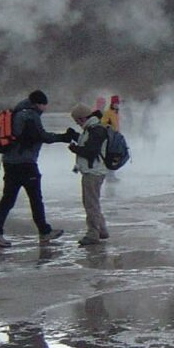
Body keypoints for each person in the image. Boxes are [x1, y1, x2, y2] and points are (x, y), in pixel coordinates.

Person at [0, 90, 78, 248]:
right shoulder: (30, 115)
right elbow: (41, 136)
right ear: (39, 104)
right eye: (44, 105)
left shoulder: (16, 112)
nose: (45, 109)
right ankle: (44, 232)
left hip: (10, 162)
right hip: (25, 163)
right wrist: (63, 137)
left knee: (8, 199)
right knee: (35, 198)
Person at [67, 103, 110, 246]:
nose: (78, 124)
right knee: (93, 202)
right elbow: (89, 143)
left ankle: (93, 233)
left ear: (82, 118)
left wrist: (75, 149)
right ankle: (102, 229)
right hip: (94, 171)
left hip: (93, 172)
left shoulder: (95, 130)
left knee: (90, 203)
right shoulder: (92, 128)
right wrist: (74, 136)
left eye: (77, 121)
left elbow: (91, 151)